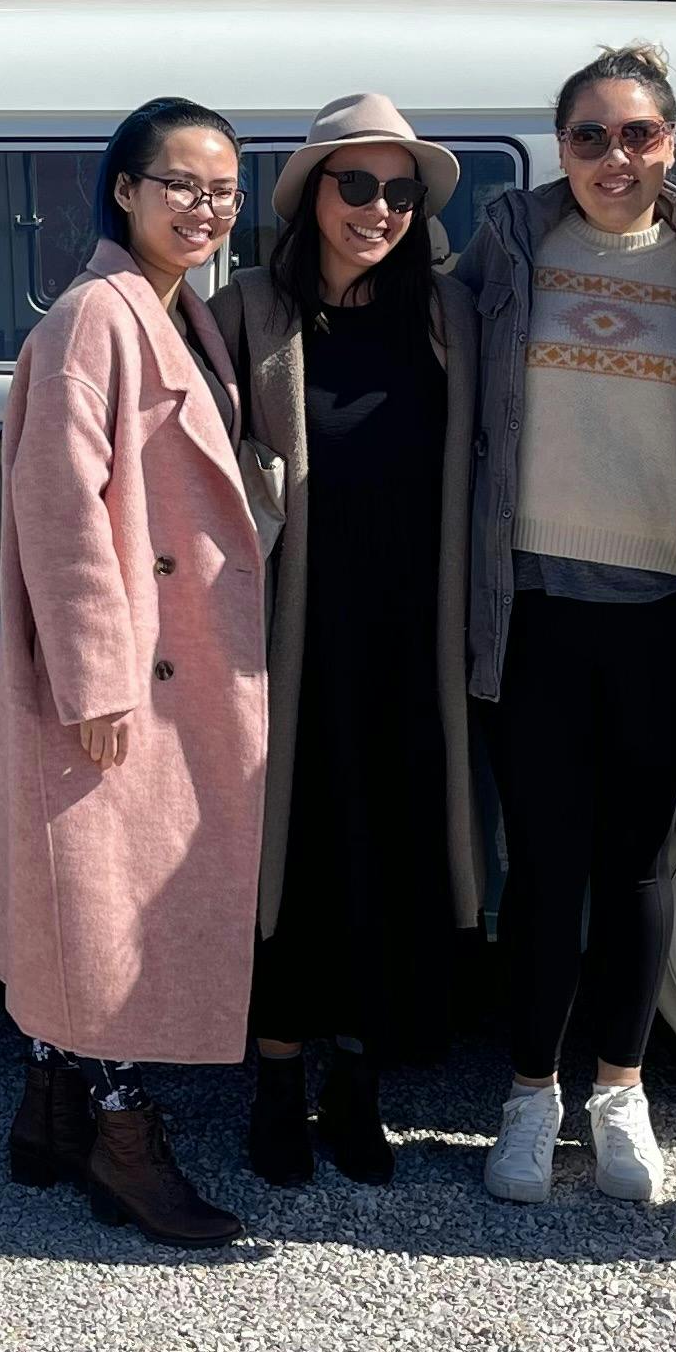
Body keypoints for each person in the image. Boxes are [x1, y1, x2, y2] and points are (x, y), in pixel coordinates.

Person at [458, 43, 676, 1206]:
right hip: (528, 601)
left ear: (668, 145)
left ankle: (620, 1095)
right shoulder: (506, 249)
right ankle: (529, 1097)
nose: (613, 158)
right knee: (540, 866)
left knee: (634, 864)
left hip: (665, 606)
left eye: (636, 135)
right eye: (590, 136)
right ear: (560, 147)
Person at [0, 97, 273, 1248]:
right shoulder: (95, 316)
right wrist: (98, 680)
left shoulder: (166, 308)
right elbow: (57, 509)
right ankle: (119, 1134)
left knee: (89, 892)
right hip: (122, 673)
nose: (203, 208)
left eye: (222, 191)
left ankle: (49, 1107)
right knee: (105, 904)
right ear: (125, 190)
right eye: (181, 185)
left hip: (165, 657)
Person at [210, 95, 481, 1187]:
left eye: (400, 191)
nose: (379, 209)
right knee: (295, 855)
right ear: (311, 195)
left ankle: (356, 1087)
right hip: (287, 638)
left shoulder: (448, 315)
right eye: (356, 185)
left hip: (418, 637)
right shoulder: (246, 312)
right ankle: (277, 1081)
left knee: (396, 854)